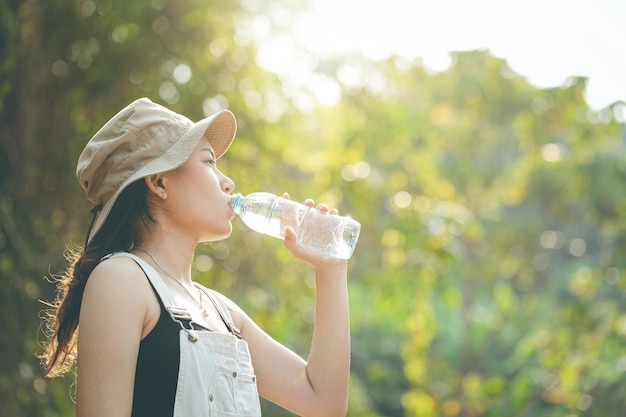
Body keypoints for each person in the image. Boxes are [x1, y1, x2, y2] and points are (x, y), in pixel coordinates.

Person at [40, 97, 351, 417]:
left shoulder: (223, 312)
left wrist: (331, 269)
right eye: (208, 162)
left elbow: (324, 404)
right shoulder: (122, 279)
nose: (228, 182)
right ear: (159, 182)